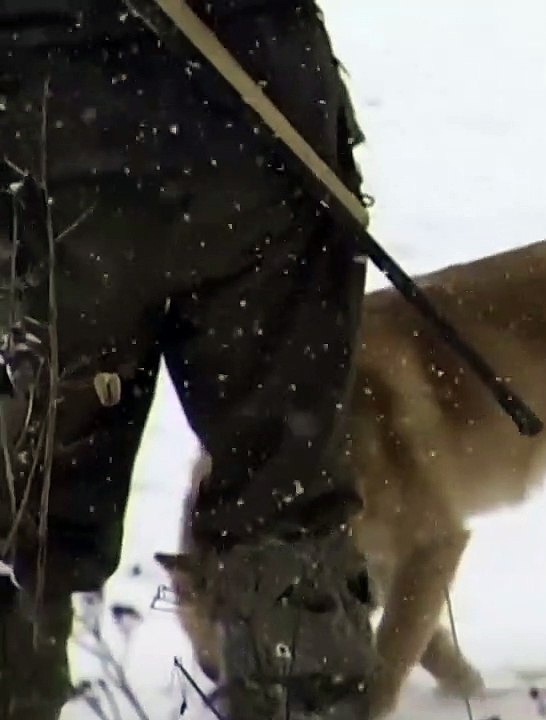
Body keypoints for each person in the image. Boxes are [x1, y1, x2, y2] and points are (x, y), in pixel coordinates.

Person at [0, 1, 377, 718]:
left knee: (23, 511)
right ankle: (305, 698)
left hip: (47, 132)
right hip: (256, 119)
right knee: (286, 498)